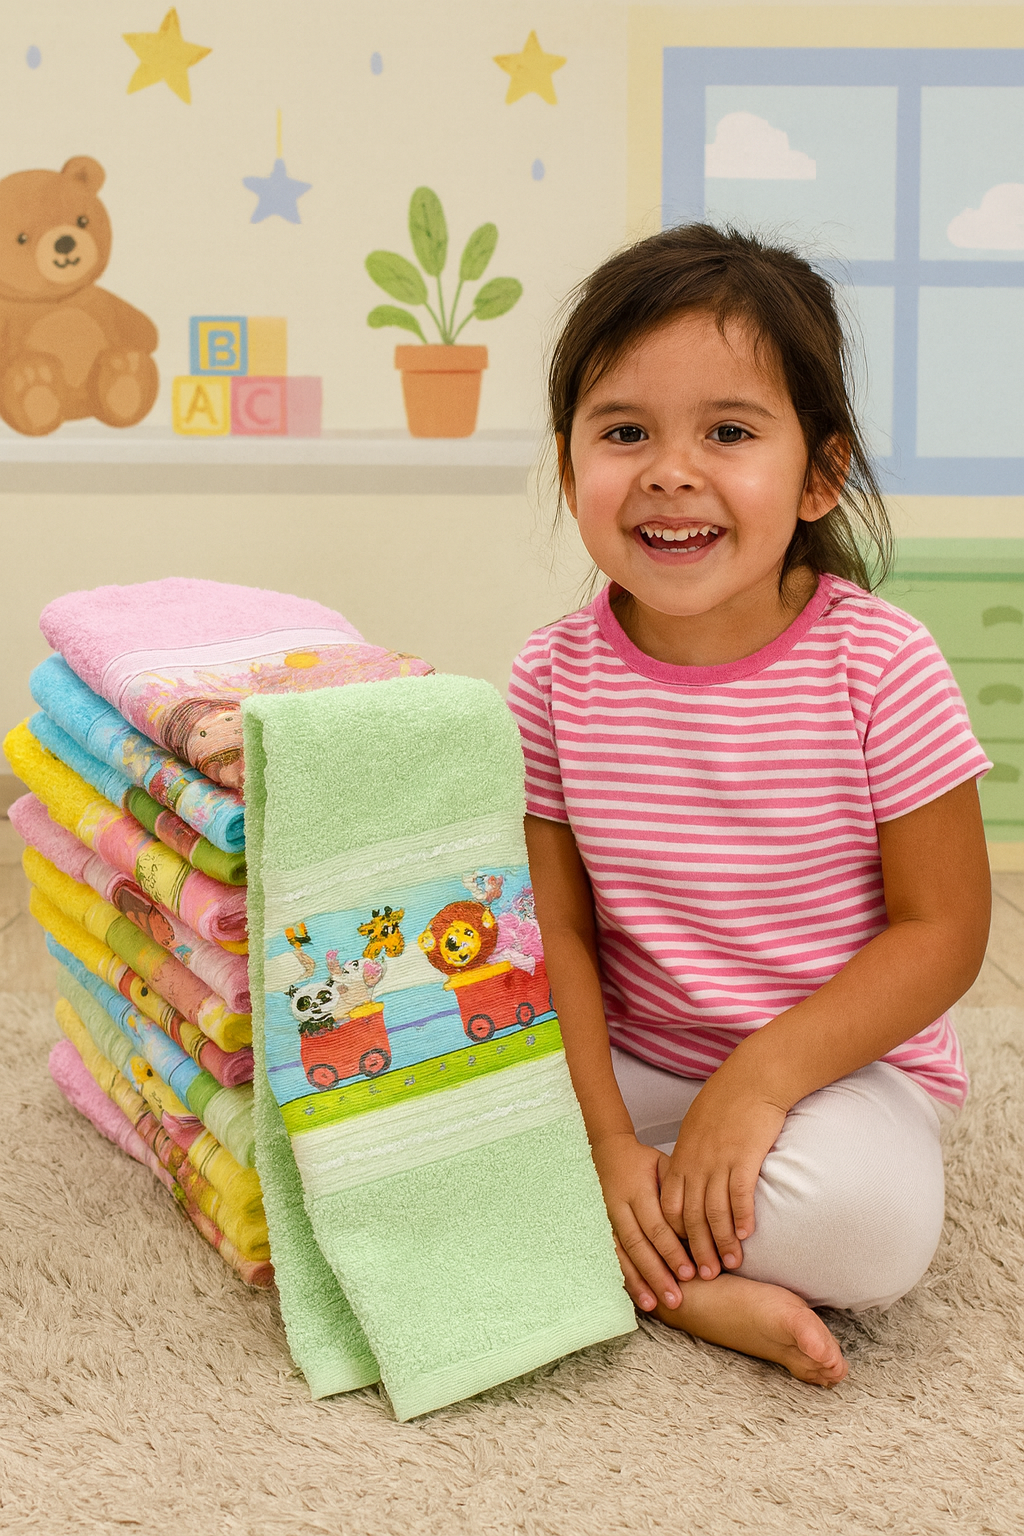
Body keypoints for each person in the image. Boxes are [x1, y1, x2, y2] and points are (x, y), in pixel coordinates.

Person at [508, 225, 992, 1386]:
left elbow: (943, 932)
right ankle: (683, 1281)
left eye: (727, 432)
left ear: (818, 475)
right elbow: (556, 930)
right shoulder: (549, 676)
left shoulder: (880, 664)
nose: (670, 471)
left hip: (836, 1073)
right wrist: (605, 1140)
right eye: (624, 432)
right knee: (400, 1137)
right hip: (631, 1059)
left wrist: (761, 1078)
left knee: (869, 1229)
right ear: (571, 471)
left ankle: (613, 1254)